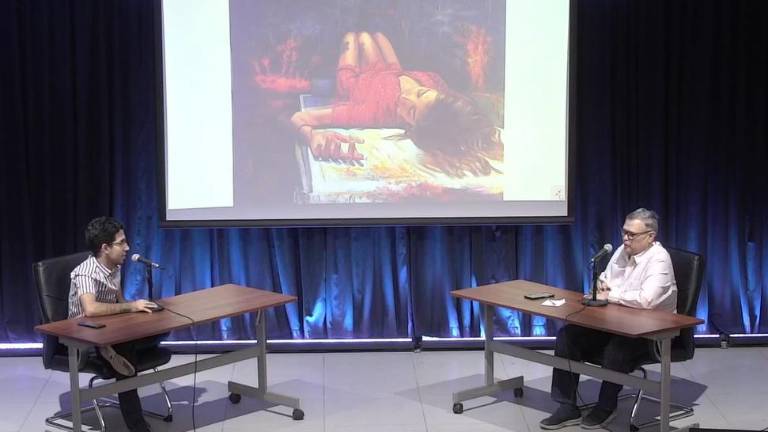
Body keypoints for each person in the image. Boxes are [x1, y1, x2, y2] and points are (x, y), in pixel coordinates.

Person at [289, 31, 502, 177]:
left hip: (355, 82)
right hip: (389, 72)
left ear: (413, 126)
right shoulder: (435, 84)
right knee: (377, 36)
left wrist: (312, 136)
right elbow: (457, 117)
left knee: (355, 37)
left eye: (411, 111)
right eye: (420, 93)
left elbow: (300, 118)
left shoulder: (375, 113)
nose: (406, 98)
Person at [540, 208, 678, 430]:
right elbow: (605, 280)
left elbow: (646, 300)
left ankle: (606, 406)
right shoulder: (622, 252)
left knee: (617, 350)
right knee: (568, 336)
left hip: (651, 334)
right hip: (615, 324)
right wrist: (601, 286)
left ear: (651, 236)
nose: (625, 238)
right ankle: (567, 405)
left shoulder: (659, 259)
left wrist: (610, 295)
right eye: (624, 232)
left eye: (632, 234)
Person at [68, 216, 161, 432]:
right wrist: (131, 307)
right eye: (122, 243)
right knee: (127, 350)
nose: (127, 248)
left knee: (154, 331)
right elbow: (91, 309)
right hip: (85, 336)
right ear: (105, 248)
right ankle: (138, 427)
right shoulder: (86, 272)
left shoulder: (115, 267)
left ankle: (119, 355)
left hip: (111, 328)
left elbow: (120, 302)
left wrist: (139, 313)